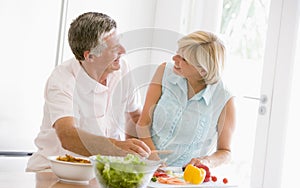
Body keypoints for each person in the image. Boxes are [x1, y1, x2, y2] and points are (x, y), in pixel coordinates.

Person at [26, 12, 151, 172]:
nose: (123, 50)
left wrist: (137, 156)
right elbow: (67, 136)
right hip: (54, 171)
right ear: (90, 56)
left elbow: (134, 116)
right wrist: (119, 148)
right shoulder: (62, 79)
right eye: (114, 48)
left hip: (101, 172)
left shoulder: (122, 69)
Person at [137, 30, 236, 168]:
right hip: (147, 166)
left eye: (183, 59)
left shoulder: (224, 98)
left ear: (203, 71)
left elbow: (225, 152)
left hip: (185, 177)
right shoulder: (164, 71)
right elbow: (143, 123)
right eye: (178, 53)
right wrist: (154, 159)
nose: (174, 59)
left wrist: (206, 162)